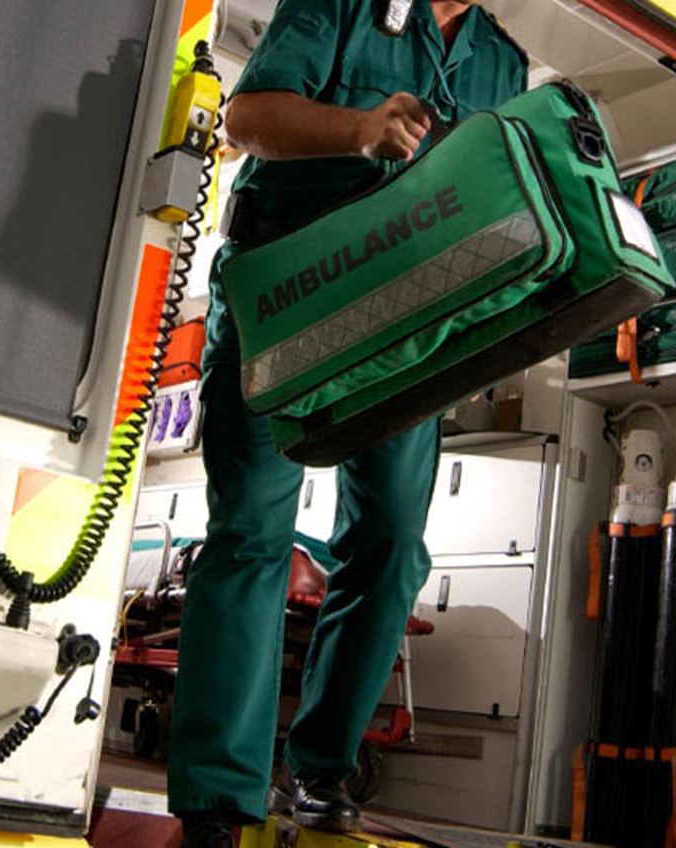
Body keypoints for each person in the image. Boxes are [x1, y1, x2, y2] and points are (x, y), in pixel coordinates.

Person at [167, 2, 528, 846]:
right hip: (284, 296)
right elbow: (248, 118)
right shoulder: (336, 7)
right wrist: (361, 129)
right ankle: (219, 799)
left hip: (402, 320)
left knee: (394, 543)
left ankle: (322, 770)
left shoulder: (502, 63)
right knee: (254, 529)